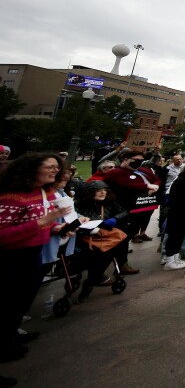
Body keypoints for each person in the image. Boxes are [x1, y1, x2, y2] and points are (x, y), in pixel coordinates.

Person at [0, 153, 71, 367]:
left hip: (33, 252)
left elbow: (43, 224)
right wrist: (43, 222)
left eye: (57, 167)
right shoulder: (11, 197)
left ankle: (9, 338)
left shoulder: (45, 193)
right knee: (7, 303)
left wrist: (57, 228)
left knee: (21, 300)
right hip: (10, 256)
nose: (55, 171)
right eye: (50, 167)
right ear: (31, 170)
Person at [102, 149, 161, 274]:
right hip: (118, 210)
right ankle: (107, 268)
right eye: (136, 160)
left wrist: (154, 186)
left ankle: (122, 264)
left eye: (141, 160)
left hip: (136, 209)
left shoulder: (142, 171)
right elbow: (126, 184)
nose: (138, 163)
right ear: (125, 160)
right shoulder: (116, 173)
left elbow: (156, 179)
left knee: (126, 237)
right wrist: (146, 186)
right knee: (117, 240)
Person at [74, 180, 129, 303]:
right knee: (95, 254)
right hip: (85, 237)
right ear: (90, 192)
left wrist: (115, 218)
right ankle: (92, 278)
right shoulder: (79, 205)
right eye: (99, 191)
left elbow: (124, 212)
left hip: (104, 236)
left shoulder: (109, 203)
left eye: (104, 190)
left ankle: (91, 281)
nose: (102, 193)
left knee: (114, 249)